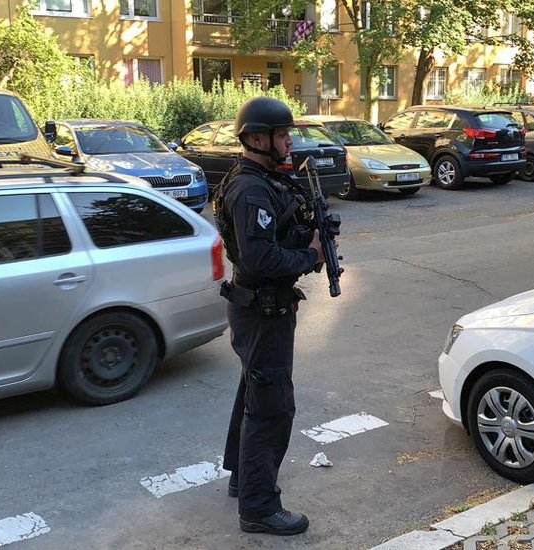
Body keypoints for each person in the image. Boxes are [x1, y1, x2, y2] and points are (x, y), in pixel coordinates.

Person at [214, 96, 324, 536]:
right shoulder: (250, 189)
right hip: (263, 311)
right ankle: (259, 508)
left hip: (263, 309)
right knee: (272, 408)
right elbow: (260, 259)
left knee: (254, 396)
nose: (288, 140)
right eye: (282, 134)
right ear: (256, 138)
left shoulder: (261, 179)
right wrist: (308, 254)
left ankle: (244, 478)